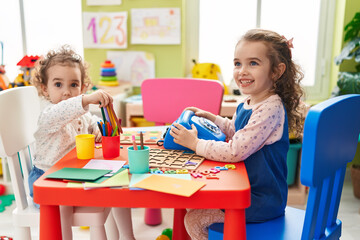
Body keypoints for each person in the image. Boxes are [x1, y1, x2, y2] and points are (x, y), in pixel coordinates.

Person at [169, 29, 305, 239]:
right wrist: (212, 117)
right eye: (237, 63)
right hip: (244, 190)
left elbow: (235, 151)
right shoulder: (250, 101)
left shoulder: (271, 107)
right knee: (194, 204)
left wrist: (195, 143)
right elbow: (236, 130)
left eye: (253, 63)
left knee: (194, 219)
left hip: (260, 199)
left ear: (276, 71)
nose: (242, 71)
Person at [29, 45, 135, 240]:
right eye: (58, 85)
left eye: (74, 85)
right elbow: (64, 111)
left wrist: (100, 131)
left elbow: (92, 124)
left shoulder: (82, 114)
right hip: (46, 179)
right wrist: (85, 100)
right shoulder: (48, 115)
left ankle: (128, 236)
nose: (67, 92)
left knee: (118, 184)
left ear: (82, 87)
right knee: (63, 206)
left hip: (74, 174)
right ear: (45, 88)